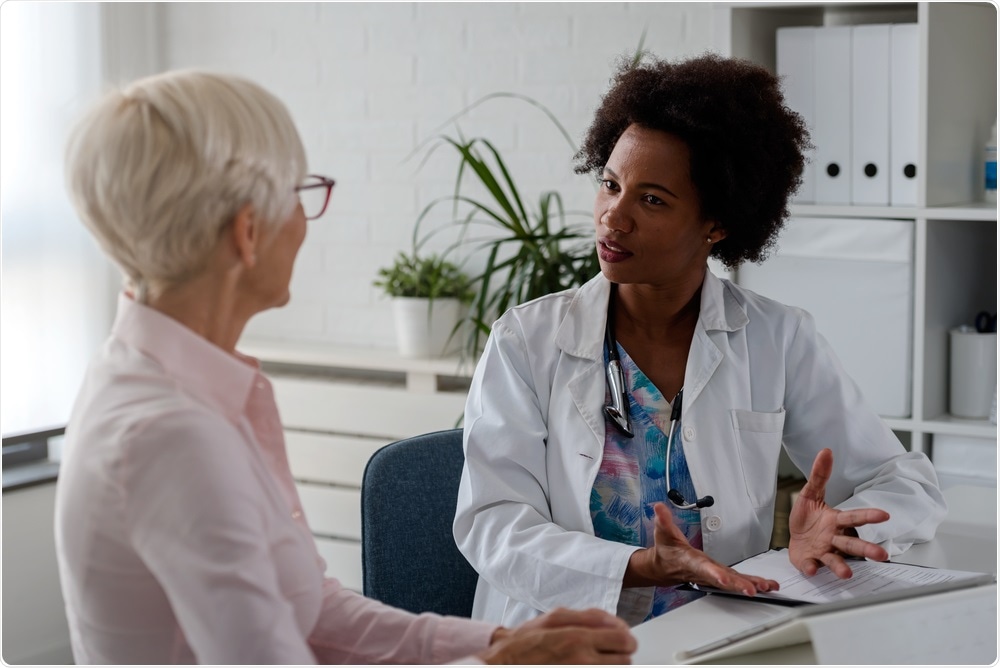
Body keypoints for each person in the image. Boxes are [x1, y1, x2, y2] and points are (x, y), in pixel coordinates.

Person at [53, 69, 637, 665]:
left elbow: (309, 612)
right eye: (298, 193)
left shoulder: (167, 382)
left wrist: (499, 644)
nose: (305, 220)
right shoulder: (176, 435)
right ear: (248, 232)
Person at [453, 53, 947, 628]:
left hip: (717, 633)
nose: (614, 218)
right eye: (610, 185)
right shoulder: (527, 341)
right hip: (565, 638)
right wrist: (639, 566)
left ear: (717, 223)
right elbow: (492, 523)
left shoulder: (776, 337)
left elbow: (906, 482)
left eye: (652, 199)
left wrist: (840, 529)